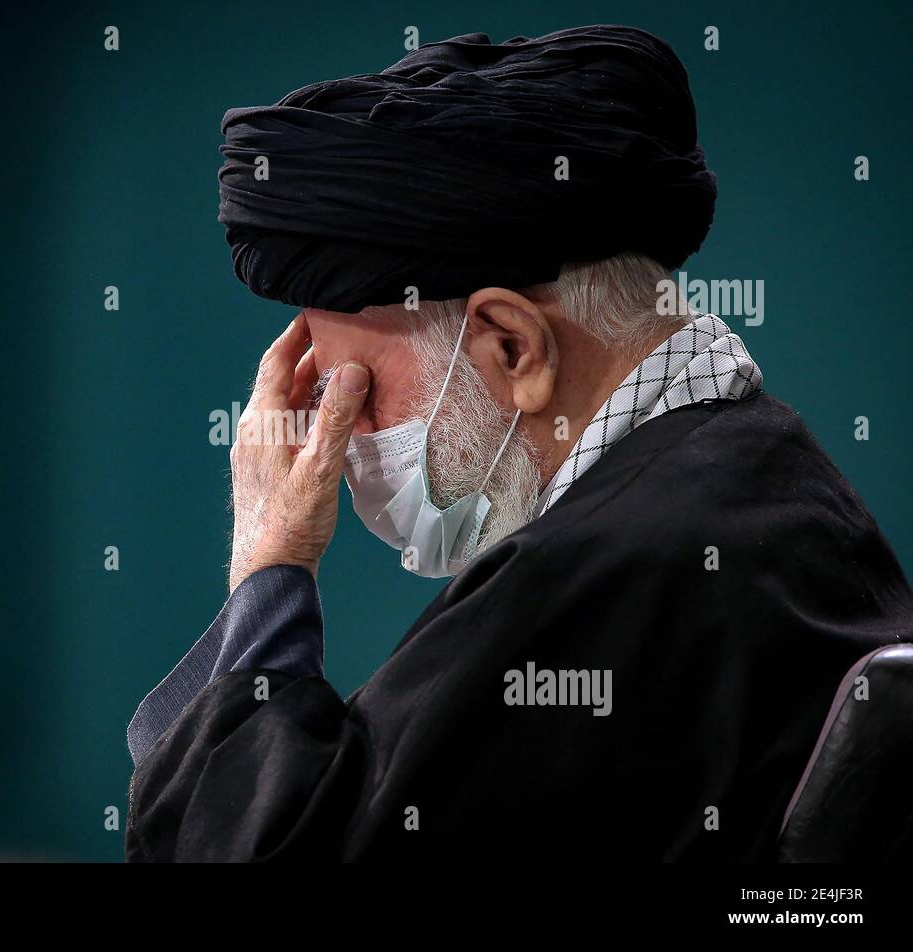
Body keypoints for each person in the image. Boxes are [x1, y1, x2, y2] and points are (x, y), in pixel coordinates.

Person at [124, 26, 913, 861]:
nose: (328, 433)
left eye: (351, 389)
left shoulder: (614, 565)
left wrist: (269, 560)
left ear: (512, 346)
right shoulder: (765, 477)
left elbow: (281, 850)